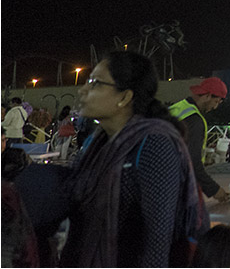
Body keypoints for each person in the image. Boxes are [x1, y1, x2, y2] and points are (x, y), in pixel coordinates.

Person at [61, 51, 205, 267]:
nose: (82, 90)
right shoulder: (96, 143)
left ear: (124, 97)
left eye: (95, 83)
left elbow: (157, 243)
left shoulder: (155, 144)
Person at [168, 76, 230, 202]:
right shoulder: (195, 120)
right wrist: (215, 190)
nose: (215, 107)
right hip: (174, 183)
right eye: (216, 102)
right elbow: (192, 163)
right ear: (207, 96)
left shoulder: (178, 108)